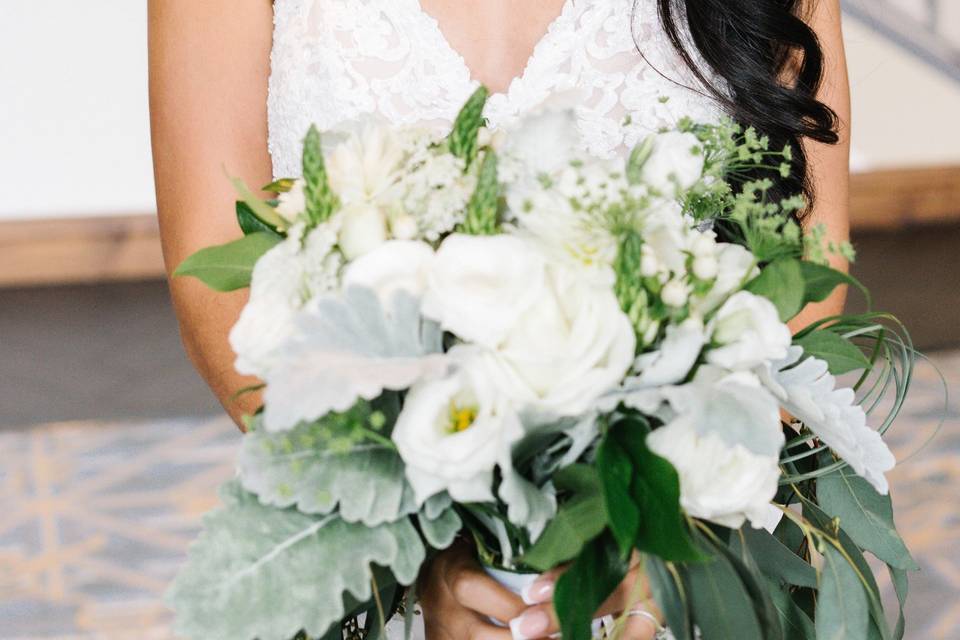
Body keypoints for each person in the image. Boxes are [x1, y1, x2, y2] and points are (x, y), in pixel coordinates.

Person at [149, 1, 850, 638]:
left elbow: (809, 268)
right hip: (380, 553)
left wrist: (674, 526)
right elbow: (214, 275)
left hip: (670, 558)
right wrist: (414, 547)